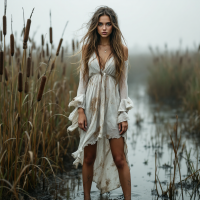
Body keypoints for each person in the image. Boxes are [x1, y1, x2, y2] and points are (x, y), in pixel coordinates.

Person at [67, 6, 134, 200]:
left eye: (108, 24)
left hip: (113, 109)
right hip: (91, 108)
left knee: (120, 158)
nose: (104, 28)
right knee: (88, 157)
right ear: (95, 26)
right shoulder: (88, 49)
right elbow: (83, 82)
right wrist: (81, 110)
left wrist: (123, 114)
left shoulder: (122, 50)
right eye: (100, 24)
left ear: (113, 26)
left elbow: (123, 85)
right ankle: (87, 198)